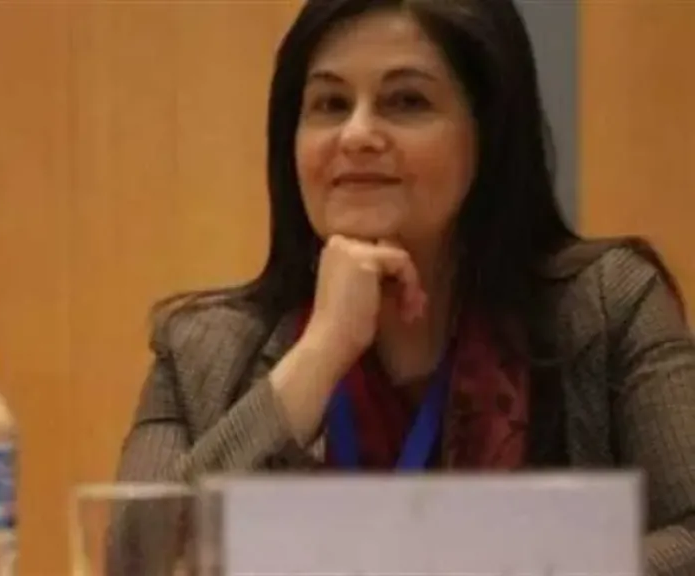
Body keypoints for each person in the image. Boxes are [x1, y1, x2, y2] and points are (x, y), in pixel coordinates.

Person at [110, 0, 695, 574]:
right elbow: (136, 562)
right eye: (330, 104)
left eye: (406, 101)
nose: (357, 134)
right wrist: (318, 356)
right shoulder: (201, 349)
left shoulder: (606, 305)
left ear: (488, 133)